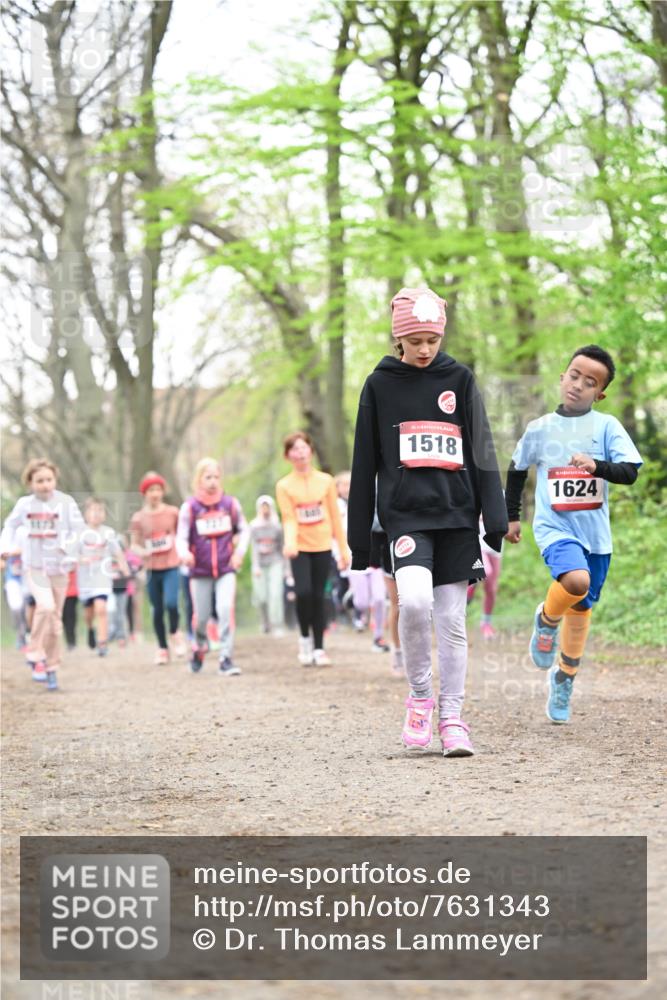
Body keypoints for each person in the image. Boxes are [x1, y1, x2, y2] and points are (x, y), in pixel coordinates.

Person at [348, 287, 507, 756]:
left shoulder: (459, 378)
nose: (424, 349)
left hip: (457, 517)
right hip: (406, 518)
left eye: (432, 340)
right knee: (415, 603)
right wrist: (360, 538)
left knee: (453, 619)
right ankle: (420, 698)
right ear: (398, 338)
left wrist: (495, 517)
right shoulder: (379, 386)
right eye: (415, 340)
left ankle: (452, 718)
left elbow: (482, 447)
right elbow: (364, 462)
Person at [505, 345, 642, 724]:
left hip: (596, 538)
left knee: (582, 606)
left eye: (590, 382)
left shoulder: (606, 426)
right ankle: (547, 620)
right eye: (575, 375)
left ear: (600, 394)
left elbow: (630, 471)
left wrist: (597, 465)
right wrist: (512, 517)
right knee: (576, 581)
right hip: (555, 527)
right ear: (562, 376)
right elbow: (516, 470)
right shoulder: (540, 428)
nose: (579, 384)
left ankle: (564, 677)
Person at [0, 458, 84, 691]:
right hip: (35, 567)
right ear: (30, 483)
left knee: (55, 622)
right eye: (39, 481)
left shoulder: (66, 503)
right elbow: (10, 526)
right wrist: (4, 549)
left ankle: (51, 668)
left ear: (55, 480)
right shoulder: (24, 505)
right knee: (45, 607)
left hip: (60, 567)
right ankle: (35, 653)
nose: (45, 485)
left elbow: (79, 530)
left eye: (48, 480)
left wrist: (67, 547)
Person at [276, 432, 350, 666]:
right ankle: (304, 638)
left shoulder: (326, 481)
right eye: (295, 449)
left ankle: (319, 648)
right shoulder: (284, 486)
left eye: (303, 448)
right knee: (303, 593)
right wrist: (290, 542)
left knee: (319, 596)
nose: (300, 453)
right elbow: (288, 517)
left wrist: (344, 550)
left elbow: (335, 517)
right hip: (299, 547)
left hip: (323, 545)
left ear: (311, 451)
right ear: (288, 456)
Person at [176, 458, 249, 675]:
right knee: (201, 616)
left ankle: (226, 658)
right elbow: (181, 537)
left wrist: (239, 554)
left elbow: (244, 530)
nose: (213, 482)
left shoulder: (230, 504)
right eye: (208, 477)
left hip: (226, 568)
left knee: (225, 609)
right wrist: (185, 553)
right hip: (200, 571)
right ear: (198, 480)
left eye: (216, 477)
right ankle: (200, 646)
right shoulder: (190, 508)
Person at [130, 472, 187, 664]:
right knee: (157, 609)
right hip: (152, 569)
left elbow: (182, 535)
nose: (155, 494)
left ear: (163, 491)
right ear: (144, 493)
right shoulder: (138, 518)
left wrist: (183, 552)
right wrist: (143, 552)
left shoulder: (173, 513)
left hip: (171, 565)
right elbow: (134, 545)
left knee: (171, 603)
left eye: (158, 489)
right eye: (150, 490)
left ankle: (175, 632)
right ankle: (162, 648)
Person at [78, 497, 129, 657]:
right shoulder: (79, 533)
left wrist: (124, 567)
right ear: (86, 514)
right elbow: (71, 554)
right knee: (89, 613)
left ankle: (102, 642)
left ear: (105, 514)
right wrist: (82, 560)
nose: (96, 514)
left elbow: (117, 552)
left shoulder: (108, 532)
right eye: (93, 510)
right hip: (85, 578)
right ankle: (90, 628)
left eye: (100, 510)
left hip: (102, 576)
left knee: (101, 608)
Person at [249, 495, 285, 636]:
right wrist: (255, 566)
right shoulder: (254, 526)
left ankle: (277, 624)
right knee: (261, 596)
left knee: (275, 594)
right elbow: (253, 548)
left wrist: (286, 569)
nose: (265, 510)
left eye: (267, 507)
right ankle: (265, 622)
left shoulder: (277, 526)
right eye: (262, 507)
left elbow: (282, 547)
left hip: (275, 562)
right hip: (260, 564)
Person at [467, 515, 503, 639]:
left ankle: (486, 623)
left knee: (491, 589)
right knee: (486, 571)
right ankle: (469, 590)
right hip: (478, 537)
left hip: (496, 541)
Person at [2, 553, 28, 649]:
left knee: (29, 609)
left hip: (29, 579)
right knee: (16, 609)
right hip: (12, 581)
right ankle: (21, 637)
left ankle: (29, 635)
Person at [62, 568, 79, 650]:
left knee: (70, 617)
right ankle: (69, 641)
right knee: (63, 618)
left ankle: (71, 641)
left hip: (71, 592)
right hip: (59, 590)